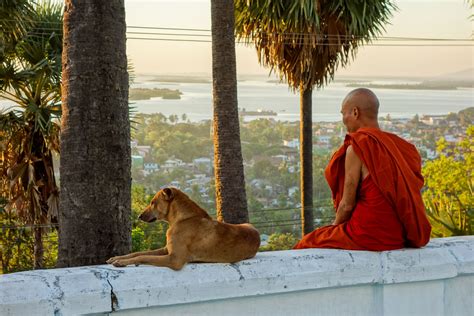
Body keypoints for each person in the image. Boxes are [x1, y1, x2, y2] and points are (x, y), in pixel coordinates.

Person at [294, 88, 431, 251]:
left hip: (368, 235)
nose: (343, 120)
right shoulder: (402, 147)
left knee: (307, 242)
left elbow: (347, 205)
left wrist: (333, 228)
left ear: (355, 112)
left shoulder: (358, 147)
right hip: (399, 237)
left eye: (343, 114)